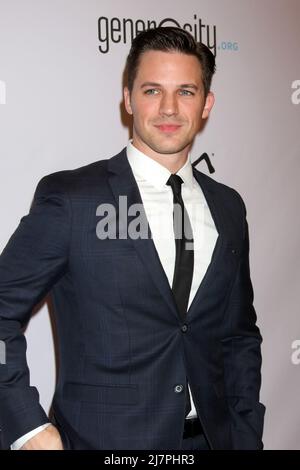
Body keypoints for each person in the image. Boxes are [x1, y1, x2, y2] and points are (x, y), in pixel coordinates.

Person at [0, 26, 265, 450]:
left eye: (185, 92)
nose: (169, 108)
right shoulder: (74, 200)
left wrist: (247, 432)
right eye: (151, 91)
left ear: (206, 104)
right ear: (127, 99)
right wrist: (28, 429)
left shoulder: (228, 207)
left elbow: (238, 336)